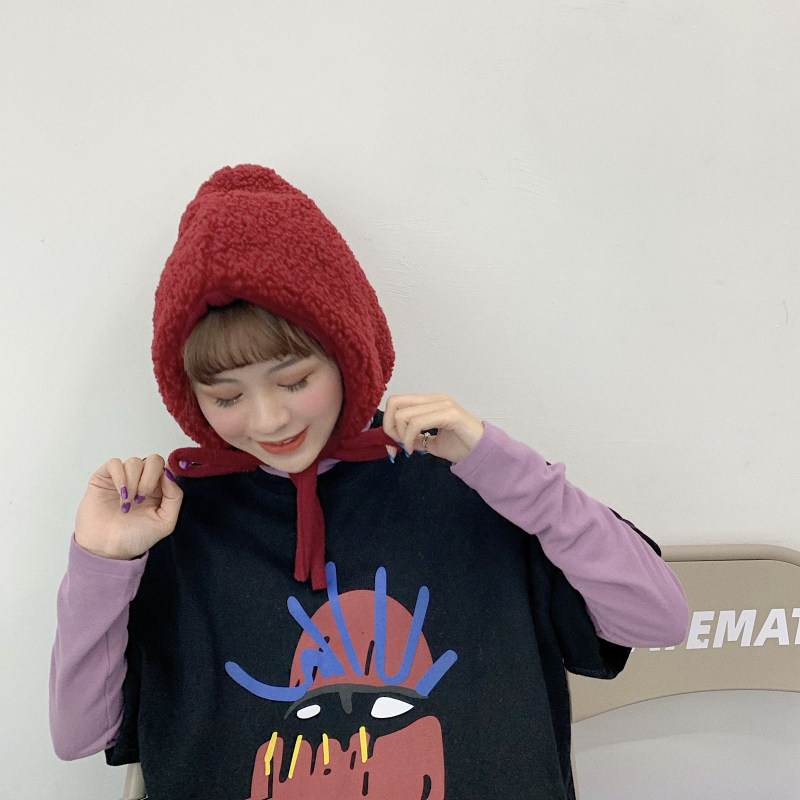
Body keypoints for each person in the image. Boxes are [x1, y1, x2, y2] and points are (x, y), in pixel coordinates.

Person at [50, 165, 688, 800]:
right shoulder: (172, 518)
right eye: (226, 397)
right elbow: (79, 735)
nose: (269, 420)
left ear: (347, 351)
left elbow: (660, 619)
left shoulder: (471, 482)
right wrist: (101, 561)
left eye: (295, 381)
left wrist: (504, 468)